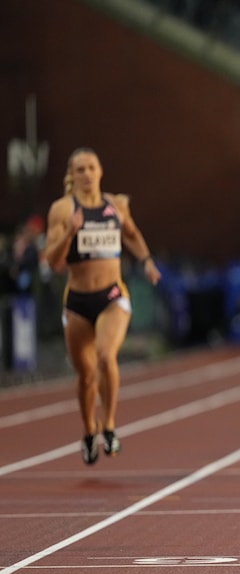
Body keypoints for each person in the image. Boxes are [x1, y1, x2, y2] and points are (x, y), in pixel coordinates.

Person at [43, 147, 161, 465]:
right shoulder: (62, 210)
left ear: (100, 171)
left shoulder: (116, 206)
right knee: (85, 377)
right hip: (78, 302)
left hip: (112, 296)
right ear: (72, 175)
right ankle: (88, 430)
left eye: (91, 168)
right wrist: (69, 233)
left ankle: (108, 426)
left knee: (106, 356)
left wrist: (147, 261)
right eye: (79, 169)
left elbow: (133, 236)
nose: (86, 174)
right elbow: (52, 261)